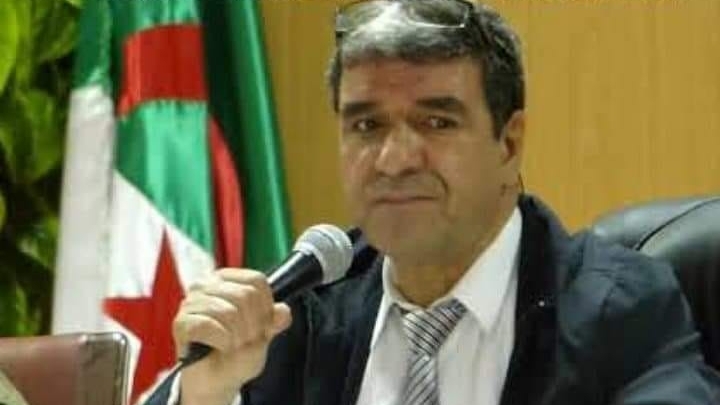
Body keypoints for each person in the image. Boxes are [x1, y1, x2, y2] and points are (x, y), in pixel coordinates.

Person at [148, 1, 720, 404]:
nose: (394, 159)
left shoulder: (622, 310)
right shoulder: (301, 310)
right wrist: (205, 393)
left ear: (509, 144)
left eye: (437, 122)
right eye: (367, 125)